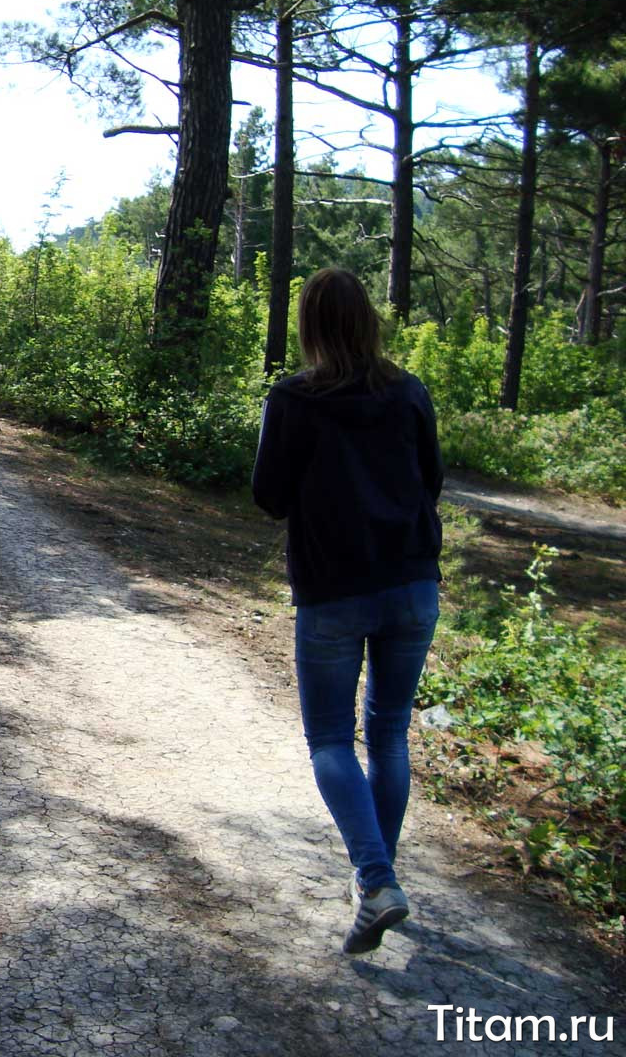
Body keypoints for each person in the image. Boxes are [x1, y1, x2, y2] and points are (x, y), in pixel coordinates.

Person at [251, 267, 444, 957]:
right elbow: (433, 482)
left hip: (334, 589)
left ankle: (375, 879)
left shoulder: (295, 399)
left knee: (331, 741)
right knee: (388, 736)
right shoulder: (410, 391)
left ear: (309, 326)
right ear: (368, 321)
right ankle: (377, 883)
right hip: (414, 583)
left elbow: (268, 495)